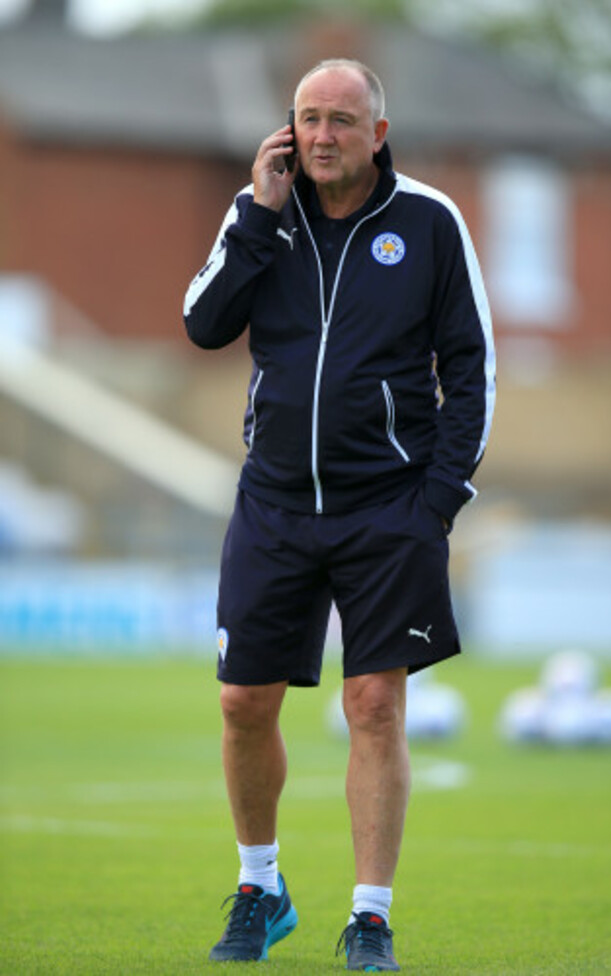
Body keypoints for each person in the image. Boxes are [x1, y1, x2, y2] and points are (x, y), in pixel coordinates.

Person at [183, 58, 495, 971]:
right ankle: (259, 886)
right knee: (244, 701)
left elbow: (472, 367)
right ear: (289, 129)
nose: (322, 136)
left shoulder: (430, 224)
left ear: (378, 135)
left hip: (387, 510)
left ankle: (369, 917)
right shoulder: (259, 218)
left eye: (341, 121)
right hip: (274, 504)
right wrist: (254, 215)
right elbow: (202, 324)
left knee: (374, 706)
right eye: (308, 119)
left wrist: (437, 501)